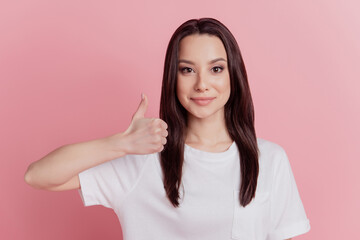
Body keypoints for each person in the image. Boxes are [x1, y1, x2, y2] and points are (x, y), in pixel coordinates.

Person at [24, 18, 310, 240]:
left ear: (234, 75)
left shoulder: (270, 160)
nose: (202, 84)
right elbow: (38, 175)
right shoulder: (144, 159)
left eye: (216, 69)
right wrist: (121, 144)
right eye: (187, 70)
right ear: (172, 78)